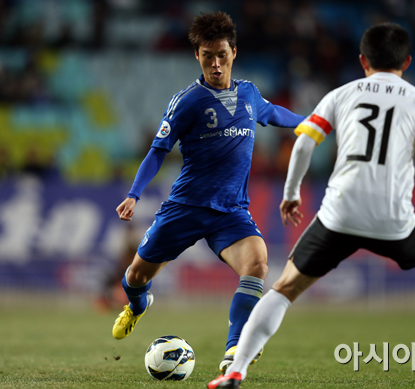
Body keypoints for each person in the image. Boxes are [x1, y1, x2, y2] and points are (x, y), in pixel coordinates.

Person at [207, 23, 415, 389]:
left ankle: (236, 370)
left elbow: (306, 143)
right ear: (406, 61)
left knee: (284, 288)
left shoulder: (341, 94)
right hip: (393, 219)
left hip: (338, 214)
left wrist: (291, 192)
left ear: (362, 61)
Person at [112, 11, 305, 373]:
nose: (215, 64)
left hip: (230, 212)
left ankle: (235, 350)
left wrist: (311, 123)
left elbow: (272, 113)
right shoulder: (188, 101)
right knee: (136, 277)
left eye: (221, 55)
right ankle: (138, 306)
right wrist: (135, 193)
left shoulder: (248, 93)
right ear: (196, 56)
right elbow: (158, 151)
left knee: (257, 263)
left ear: (234, 52)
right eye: (207, 56)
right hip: (185, 208)